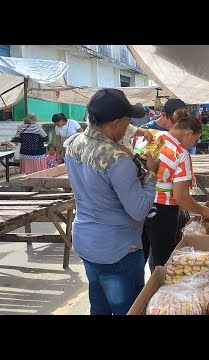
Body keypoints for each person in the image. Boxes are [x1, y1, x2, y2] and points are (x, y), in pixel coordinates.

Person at [64, 88, 159, 315]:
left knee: (99, 305)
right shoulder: (116, 159)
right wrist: (152, 175)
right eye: (127, 123)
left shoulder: (73, 143)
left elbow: (98, 186)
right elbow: (139, 210)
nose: (128, 128)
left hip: (86, 242)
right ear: (115, 123)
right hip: (117, 249)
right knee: (129, 309)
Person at [142, 109, 209, 271]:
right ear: (189, 133)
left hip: (138, 204)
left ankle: (139, 295)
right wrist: (203, 211)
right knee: (163, 260)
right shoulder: (181, 154)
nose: (193, 144)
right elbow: (181, 197)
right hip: (163, 211)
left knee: (138, 255)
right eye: (195, 140)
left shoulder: (152, 135)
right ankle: (160, 292)